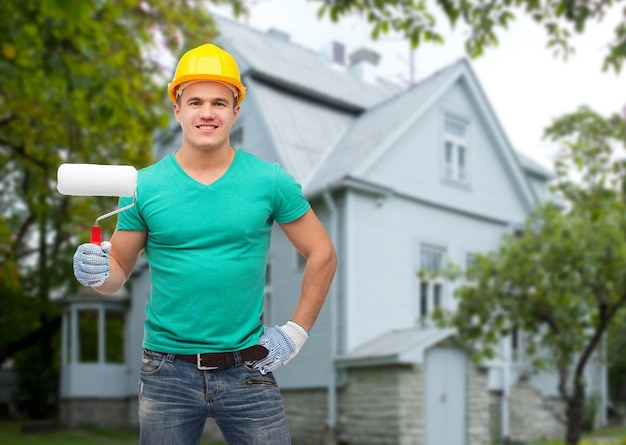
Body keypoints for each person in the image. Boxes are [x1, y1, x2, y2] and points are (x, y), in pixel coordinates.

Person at [72, 43, 337, 445]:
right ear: (177, 109)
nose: (207, 112)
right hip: (166, 374)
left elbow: (323, 253)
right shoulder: (142, 186)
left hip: (248, 368)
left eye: (219, 102)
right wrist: (96, 272)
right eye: (195, 101)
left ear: (235, 110)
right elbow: (119, 272)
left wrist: (295, 333)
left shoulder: (269, 181)